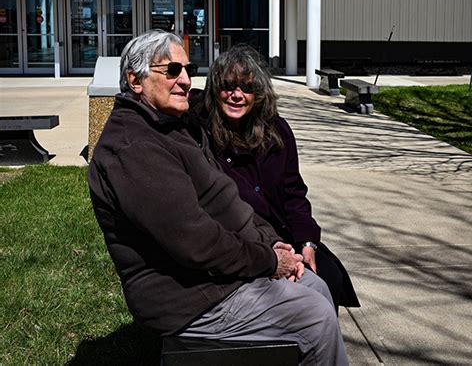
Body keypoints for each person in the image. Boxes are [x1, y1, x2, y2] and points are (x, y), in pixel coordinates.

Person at [88, 30, 349, 365]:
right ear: (134, 80)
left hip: (211, 278)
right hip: (185, 299)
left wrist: (274, 243)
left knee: (318, 285)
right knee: (314, 316)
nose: (184, 80)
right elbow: (194, 240)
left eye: (188, 69)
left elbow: (226, 200)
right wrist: (269, 261)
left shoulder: (171, 127)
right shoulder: (134, 146)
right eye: (171, 71)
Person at [195, 45, 360, 312]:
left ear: (258, 94)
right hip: (245, 240)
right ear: (214, 88)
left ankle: (315, 344)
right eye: (228, 86)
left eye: (247, 88)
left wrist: (307, 242)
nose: (237, 95)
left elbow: (294, 193)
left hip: (286, 233)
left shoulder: (276, 131)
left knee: (328, 277)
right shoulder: (201, 135)